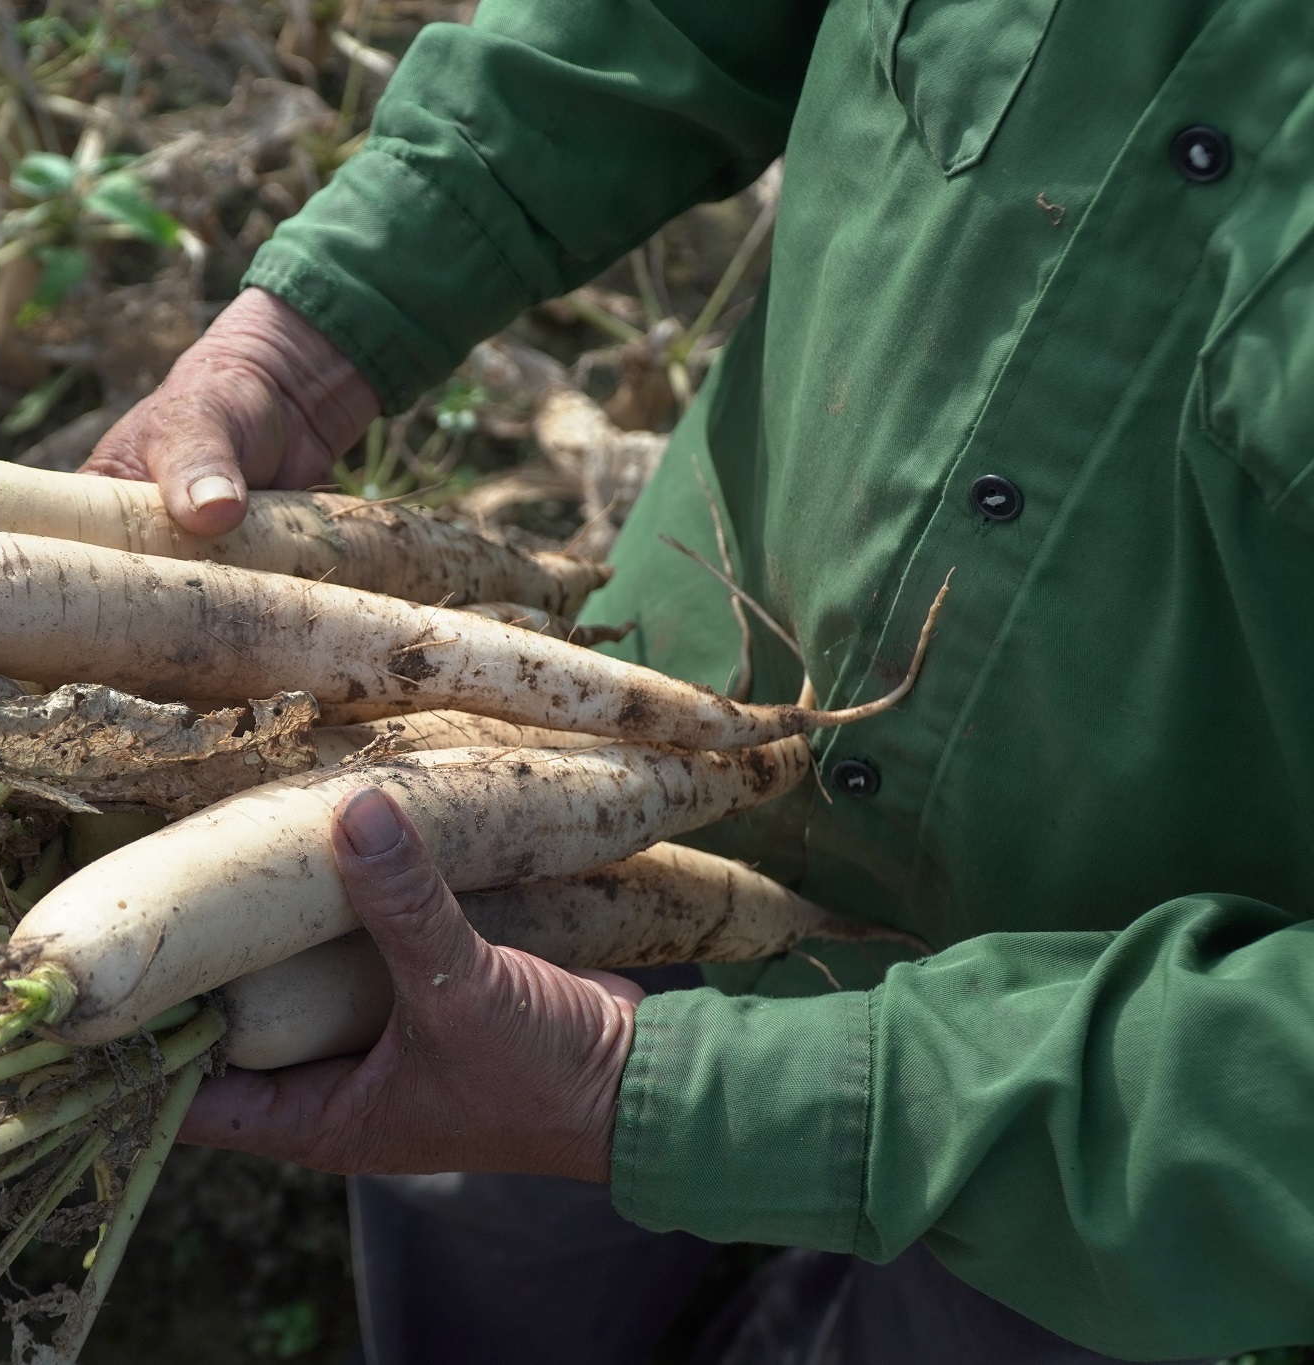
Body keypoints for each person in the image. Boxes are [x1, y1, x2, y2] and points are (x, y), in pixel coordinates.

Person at [82, 0, 1314, 1360]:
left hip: (1123, 1172)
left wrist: (636, 1091)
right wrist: (311, 340)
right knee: (489, 1272)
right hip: (574, 800)